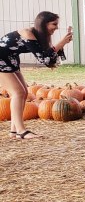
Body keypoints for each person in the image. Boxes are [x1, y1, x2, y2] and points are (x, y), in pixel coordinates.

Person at [1, 11, 73, 139]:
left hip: (10, 59)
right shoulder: (28, 33)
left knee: (23, 92)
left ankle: (14, 130)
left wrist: (63, 44)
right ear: (44, 24)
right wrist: (61, 42)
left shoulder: (39, 36)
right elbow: (44, 59)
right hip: (1, 59)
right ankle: (21, 131)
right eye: (54, 24)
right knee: (18, 93)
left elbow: (49, 60)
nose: (56, 27)